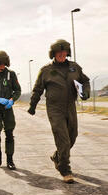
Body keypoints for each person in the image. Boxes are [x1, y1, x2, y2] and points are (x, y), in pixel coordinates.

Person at [28, 39, 90, 183]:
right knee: (63, 139)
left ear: (67, 52)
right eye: (58, 52)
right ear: (53, 54)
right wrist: (32, 105)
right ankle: (65, 170)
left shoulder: (75, 68)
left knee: (72, 136)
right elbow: (38, 89)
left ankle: (57, 157)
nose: (62, 54)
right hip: (55, 109)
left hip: (70, 106)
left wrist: (85, 92)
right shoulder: (46, 71)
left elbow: (85, 81)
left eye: (64, 52)